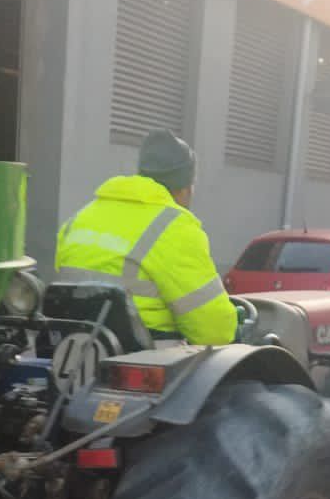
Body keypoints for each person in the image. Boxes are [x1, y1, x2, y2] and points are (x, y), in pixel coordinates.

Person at [55, 129, 239, 345]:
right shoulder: (176, 228)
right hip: (145, 362)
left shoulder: (81, 217)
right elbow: (214, 331)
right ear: (185, 188)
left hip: (70, 352)